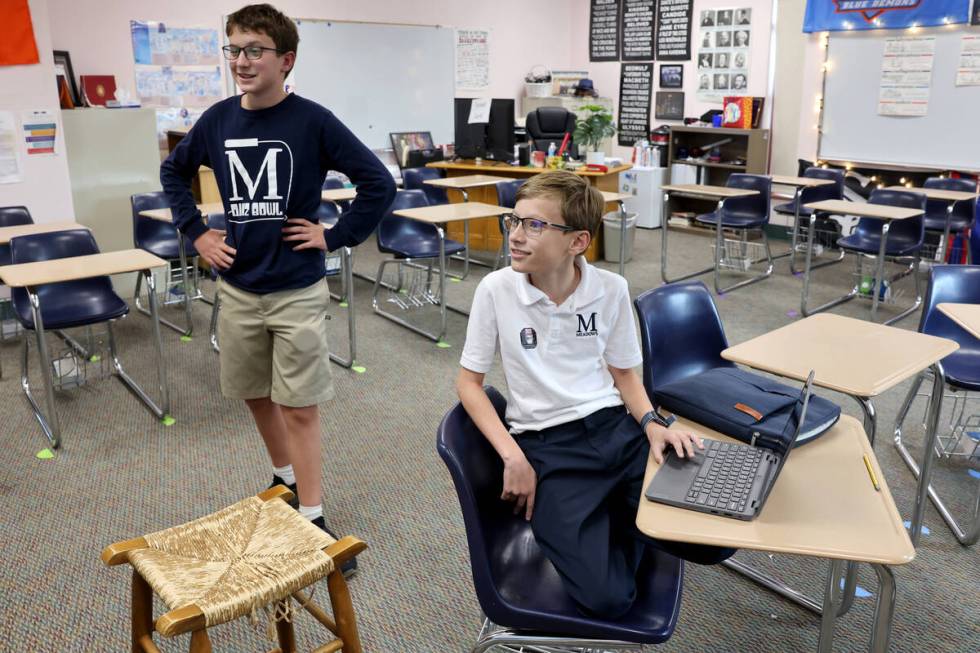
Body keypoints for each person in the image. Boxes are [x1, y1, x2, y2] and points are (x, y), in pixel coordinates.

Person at [160, 3, 395, 573]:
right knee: (255, 392)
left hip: (295, 290)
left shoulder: (312, 121)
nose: (241, 61)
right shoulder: (217, 121)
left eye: (254, 50)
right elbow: (173, 172)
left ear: (285, 60)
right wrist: (197, 235)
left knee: (301, 406)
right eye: (233, 49)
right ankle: (284, 479)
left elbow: (378, 183)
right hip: (238, 288)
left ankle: (312, 517)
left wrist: (336, 236)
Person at [456, 172, 735, 619]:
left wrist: (652, 425)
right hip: (548, 447)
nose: (516, 236)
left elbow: (625, 374)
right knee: (609, 599)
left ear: (578, 241)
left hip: (614, 429)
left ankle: (619, 515)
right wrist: (513, 456)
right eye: (515, 221)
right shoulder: (496, 289)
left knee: (713, 543)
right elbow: (469, 385)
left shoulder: (611, 290)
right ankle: (624, 519)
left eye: (535, 225)